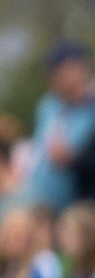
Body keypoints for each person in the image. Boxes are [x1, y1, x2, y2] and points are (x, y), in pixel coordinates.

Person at [27, 41, 95, 209]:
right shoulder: (48, 106)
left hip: (79, 204)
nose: (69, 78)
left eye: (74, 69)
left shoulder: (91, 107)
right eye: (62, 72)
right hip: (41, 201)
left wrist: (72, 160)